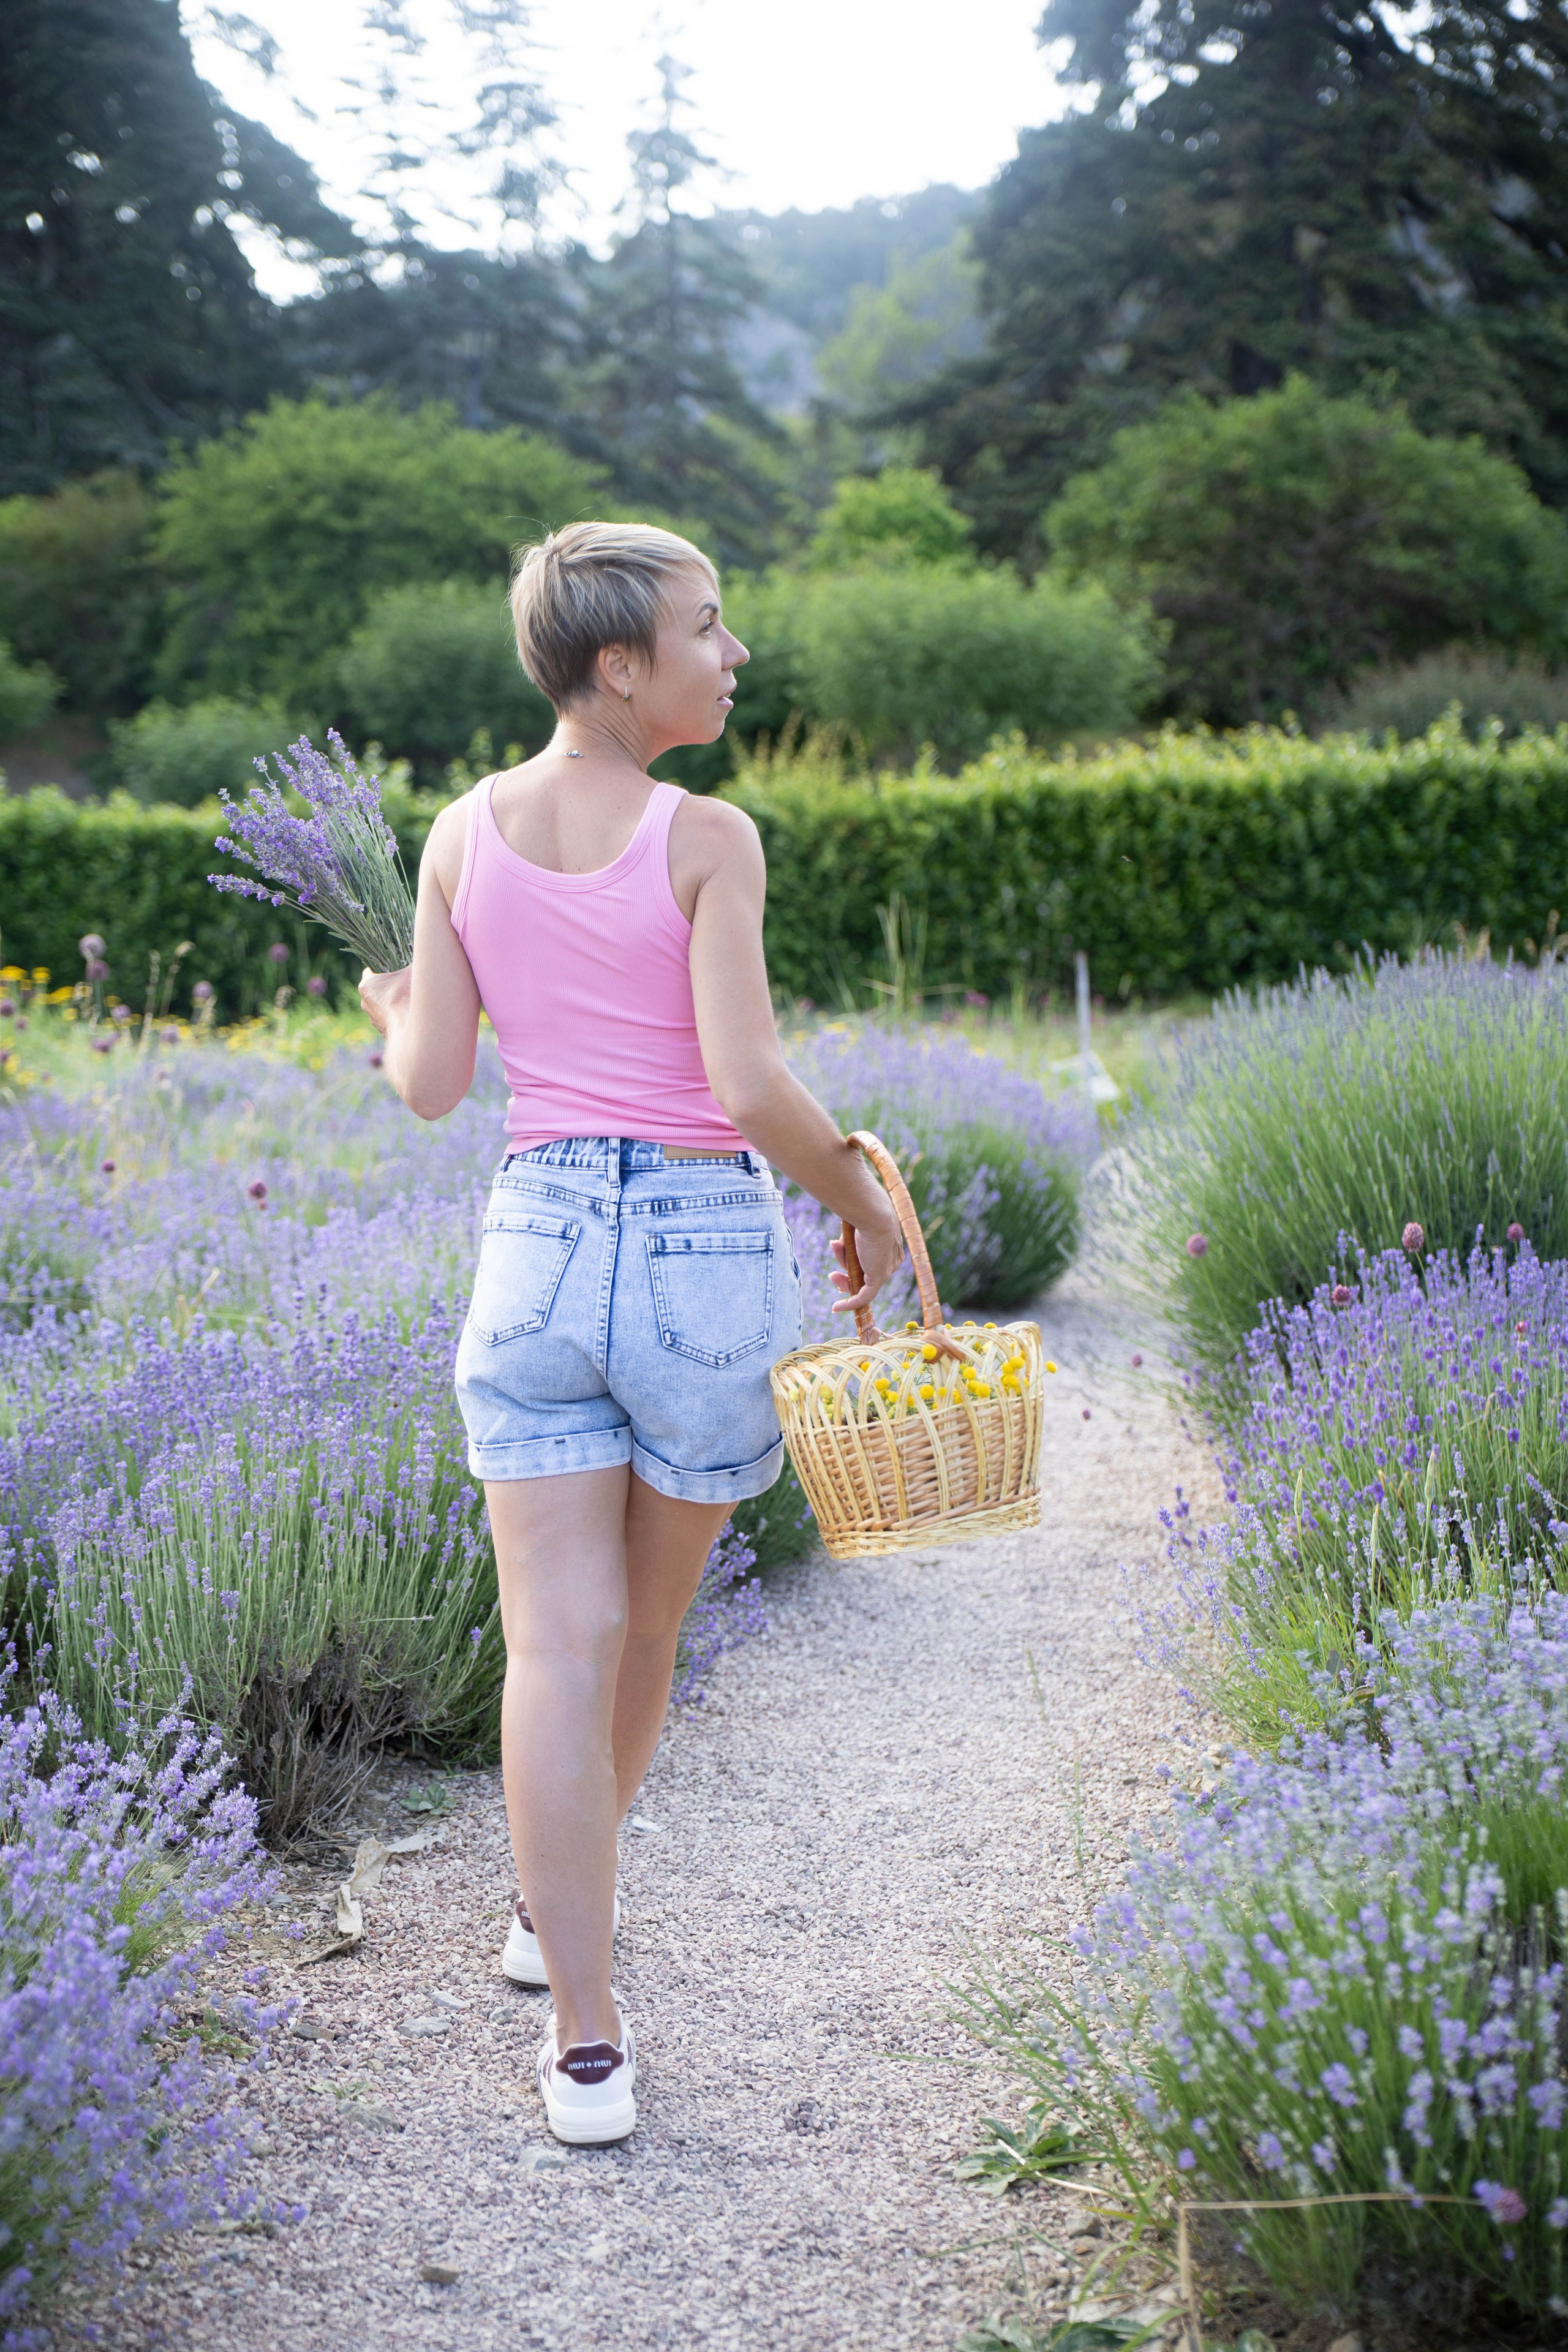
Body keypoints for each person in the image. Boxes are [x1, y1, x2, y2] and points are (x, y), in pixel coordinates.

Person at [359, 522, 903, 2146]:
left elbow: (434, 1087)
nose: (734, 655)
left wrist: (396, 1013)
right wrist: (865, 1200)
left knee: (553, 1645)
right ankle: (556, 1915)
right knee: (644, 1636)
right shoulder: (706, 839)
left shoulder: (460, 832)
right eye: (708, 628)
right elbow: (746, 1086)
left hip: (533, 1245)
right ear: (619, 664)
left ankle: (582, 2036)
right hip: (698, 1253)